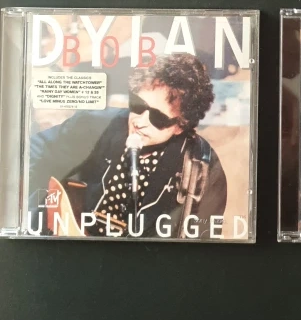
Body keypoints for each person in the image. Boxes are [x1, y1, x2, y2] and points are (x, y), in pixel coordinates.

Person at [29, 53, 227, 239]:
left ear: (181, 124)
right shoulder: (96, 125)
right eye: (138, 106)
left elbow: (201, 247)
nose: (140, 121)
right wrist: (40, 212)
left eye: (157, 118)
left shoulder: (203, 170)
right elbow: (32, 152)